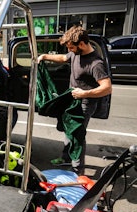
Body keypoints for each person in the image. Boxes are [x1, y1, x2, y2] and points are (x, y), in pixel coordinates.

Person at [37, 25, 112, 175]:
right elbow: (64, 58)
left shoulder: (95, 64)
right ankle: (66, 158)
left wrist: (84, 93)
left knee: (77, 135)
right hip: (72, 99)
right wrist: (45, 56)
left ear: (82, 44)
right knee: (68, 129)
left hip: (85, 103)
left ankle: (78, 170)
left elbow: (107, 88)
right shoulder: (75, 53)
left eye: (71, 47)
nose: (70, 50)